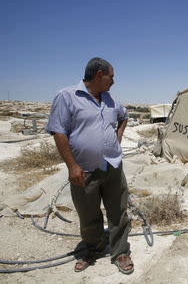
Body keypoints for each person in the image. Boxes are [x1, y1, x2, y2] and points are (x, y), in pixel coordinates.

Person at [46, 57, 134, 274]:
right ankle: (93, 249)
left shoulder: (111, 100)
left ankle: (120, 251)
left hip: (112, 166)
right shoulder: (67, 96)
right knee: (88, 213)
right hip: (83, 169)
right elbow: (58, 132)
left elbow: (124, 117)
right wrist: (72, 166)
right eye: (111, 77)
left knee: (118, 211)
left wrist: (117, 137)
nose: (113, 81)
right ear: (99, 75)